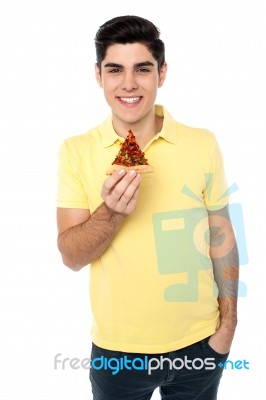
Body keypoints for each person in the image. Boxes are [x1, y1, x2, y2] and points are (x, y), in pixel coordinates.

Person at [56, 15, 239, 400]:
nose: (128, 83)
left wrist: (227, 328)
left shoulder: (202, 143)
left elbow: (222, 237)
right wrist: (112, 211)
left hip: (201, 346)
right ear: (98, 75)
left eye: (142, 69)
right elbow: (71, 257)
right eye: (114, 70)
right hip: (117, 353)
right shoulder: (76, 151)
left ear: (162, 73)